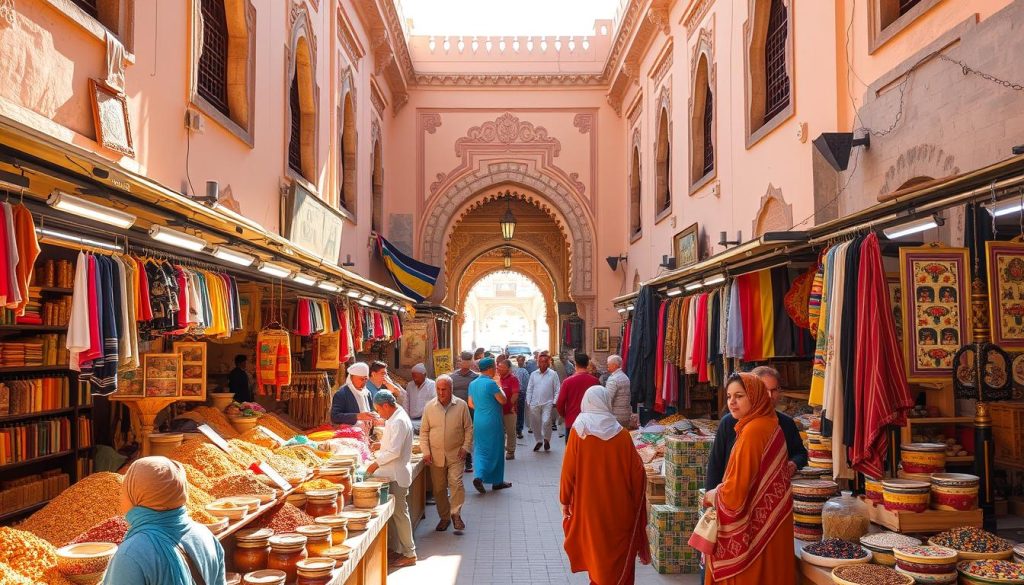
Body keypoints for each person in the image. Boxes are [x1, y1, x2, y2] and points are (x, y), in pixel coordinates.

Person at [701, 373, 795, 585]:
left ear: (754, 396)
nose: (731, 402)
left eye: (739, 396)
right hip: (768, 528)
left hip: (753, 534)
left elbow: (735, 494)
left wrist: (712, 495)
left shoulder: (753, 431)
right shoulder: (769, 424)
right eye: (728, 396)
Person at [560, 386, 650, 585]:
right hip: (620, 510)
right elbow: (638, 475)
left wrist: (565, 500)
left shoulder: (579, 431)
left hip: (589, 509)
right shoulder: (622, 435)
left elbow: (568, 471)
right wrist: (636, 506)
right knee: (618, 555)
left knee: (596, 554)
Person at [103, 456, 226, 585]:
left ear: (137, 496)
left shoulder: (131, 555)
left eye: (125, 489)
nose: (121, 496)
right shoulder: (206, 535)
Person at [705, 366, 809, 490]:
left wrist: (793, 463)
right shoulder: (730, 422)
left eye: (774, 390)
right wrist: (711, 501)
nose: (770, 396)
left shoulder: (785, 423)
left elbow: (801, 453)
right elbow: (716, 465)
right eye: (764, 390)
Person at [365, 390, 417, 568]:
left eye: (379, 410)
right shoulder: (396, 416)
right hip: (394, 473)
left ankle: (410, 553)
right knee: (396, 515)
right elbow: (394, 444)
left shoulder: (399, 421)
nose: (379, 414)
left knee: (400, 514)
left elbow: (394, 452)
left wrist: (374, 464)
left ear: (386, 406)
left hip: (396, 475)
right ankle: (399, 551)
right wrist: (382, 444)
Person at [420, 374, 473, 534]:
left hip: (456, 454)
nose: (441, 393)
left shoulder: (461, 405)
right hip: (435, 456)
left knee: (456, 483)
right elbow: (424, 432)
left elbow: (468, 429)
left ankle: (455, 514)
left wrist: (465, 447)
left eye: (444, 389)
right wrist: (426, 452)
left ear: (451, 389)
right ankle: (444, 517)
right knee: (439, 489)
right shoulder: (429, 407)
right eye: (438, 389)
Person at [468, 358, 512, 492]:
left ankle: (479, 476)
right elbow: (503, 400)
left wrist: (482, 408)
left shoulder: (473, 384)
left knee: (480, 449)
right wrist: (499, 386)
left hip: (479, 419)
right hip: (492, 421)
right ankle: (497, 481)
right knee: (497, 449)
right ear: (490, 368)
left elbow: (470, 403)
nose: (496, 370)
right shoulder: (491, 384)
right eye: (495, 367)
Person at [555, 354, 600, 444]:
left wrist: (565, 415)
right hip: (590, 422)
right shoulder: (595, 381)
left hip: (572, 421)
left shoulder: (567, 382)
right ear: (587, 364)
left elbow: (560, 403)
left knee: (571, 452)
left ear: (575, 364)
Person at [450, 351, 479, 472]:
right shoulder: (452, 377)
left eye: (468, 360)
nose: (465, 362)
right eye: (463, 360)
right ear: (460, 361)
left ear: (471, 361)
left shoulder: (476, 377)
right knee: (457, 435)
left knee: (468, 435)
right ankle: (457, 459)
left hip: (471, 410)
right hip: (455, 410)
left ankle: (468, 460)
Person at [526, 351, 560, 452]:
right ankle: (539, 440)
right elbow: (530, 388)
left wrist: (555, 401)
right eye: (541, 362)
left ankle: (546, 439)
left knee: (546, 422)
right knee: (535, 423)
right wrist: (528, 401)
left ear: (549, 363)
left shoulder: (553, 374)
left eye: (545, 362)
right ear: (538, 363)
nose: (543, 364)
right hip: (534, 403)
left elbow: (558, 389)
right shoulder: (533, 374)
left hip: (548, 402)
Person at [496, 358, 520, 460]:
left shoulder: (513, 379)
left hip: (510, 411)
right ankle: (500, 450)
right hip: (497, 411)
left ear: (509, 369)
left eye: (502, 368)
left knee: (510, 432)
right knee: (499, 432)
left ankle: (510, 451)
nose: (499, 369)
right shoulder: (496, 379)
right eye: (498, 367)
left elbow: (515, 394)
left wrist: (510, 405)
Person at [605, 355, 632, 428]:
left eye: (608, 364)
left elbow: (608, 398)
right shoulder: (625, 377)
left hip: (616, 415)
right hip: (626, 414)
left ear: (614, 365)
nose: (607, 365)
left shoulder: (613, 379)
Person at [513, 355, 531, 438]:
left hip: (516, 393)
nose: (520, 362)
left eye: (521, 361)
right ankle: (518, 430)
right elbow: (528, 384)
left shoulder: (515, 370)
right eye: (520, 361)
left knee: (516, 412)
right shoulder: (524, 371)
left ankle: (517, 430)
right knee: (520, 412)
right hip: (521, 393)